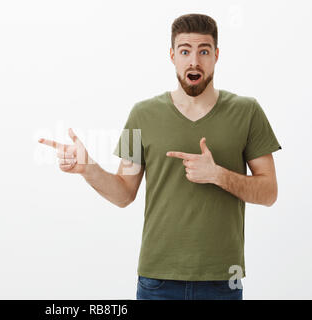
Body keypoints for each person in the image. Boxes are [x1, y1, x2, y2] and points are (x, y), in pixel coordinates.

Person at [38, 13, 282, 300]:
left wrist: (217, 174)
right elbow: (123, 193)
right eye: (185, 51)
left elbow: (269, 193)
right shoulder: (140, 114)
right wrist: (87, 168)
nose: (194, 61)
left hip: (222, 280)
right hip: (157, 280)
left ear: (216, 55)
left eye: (204, 51)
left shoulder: (248, 111)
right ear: (172, 56)